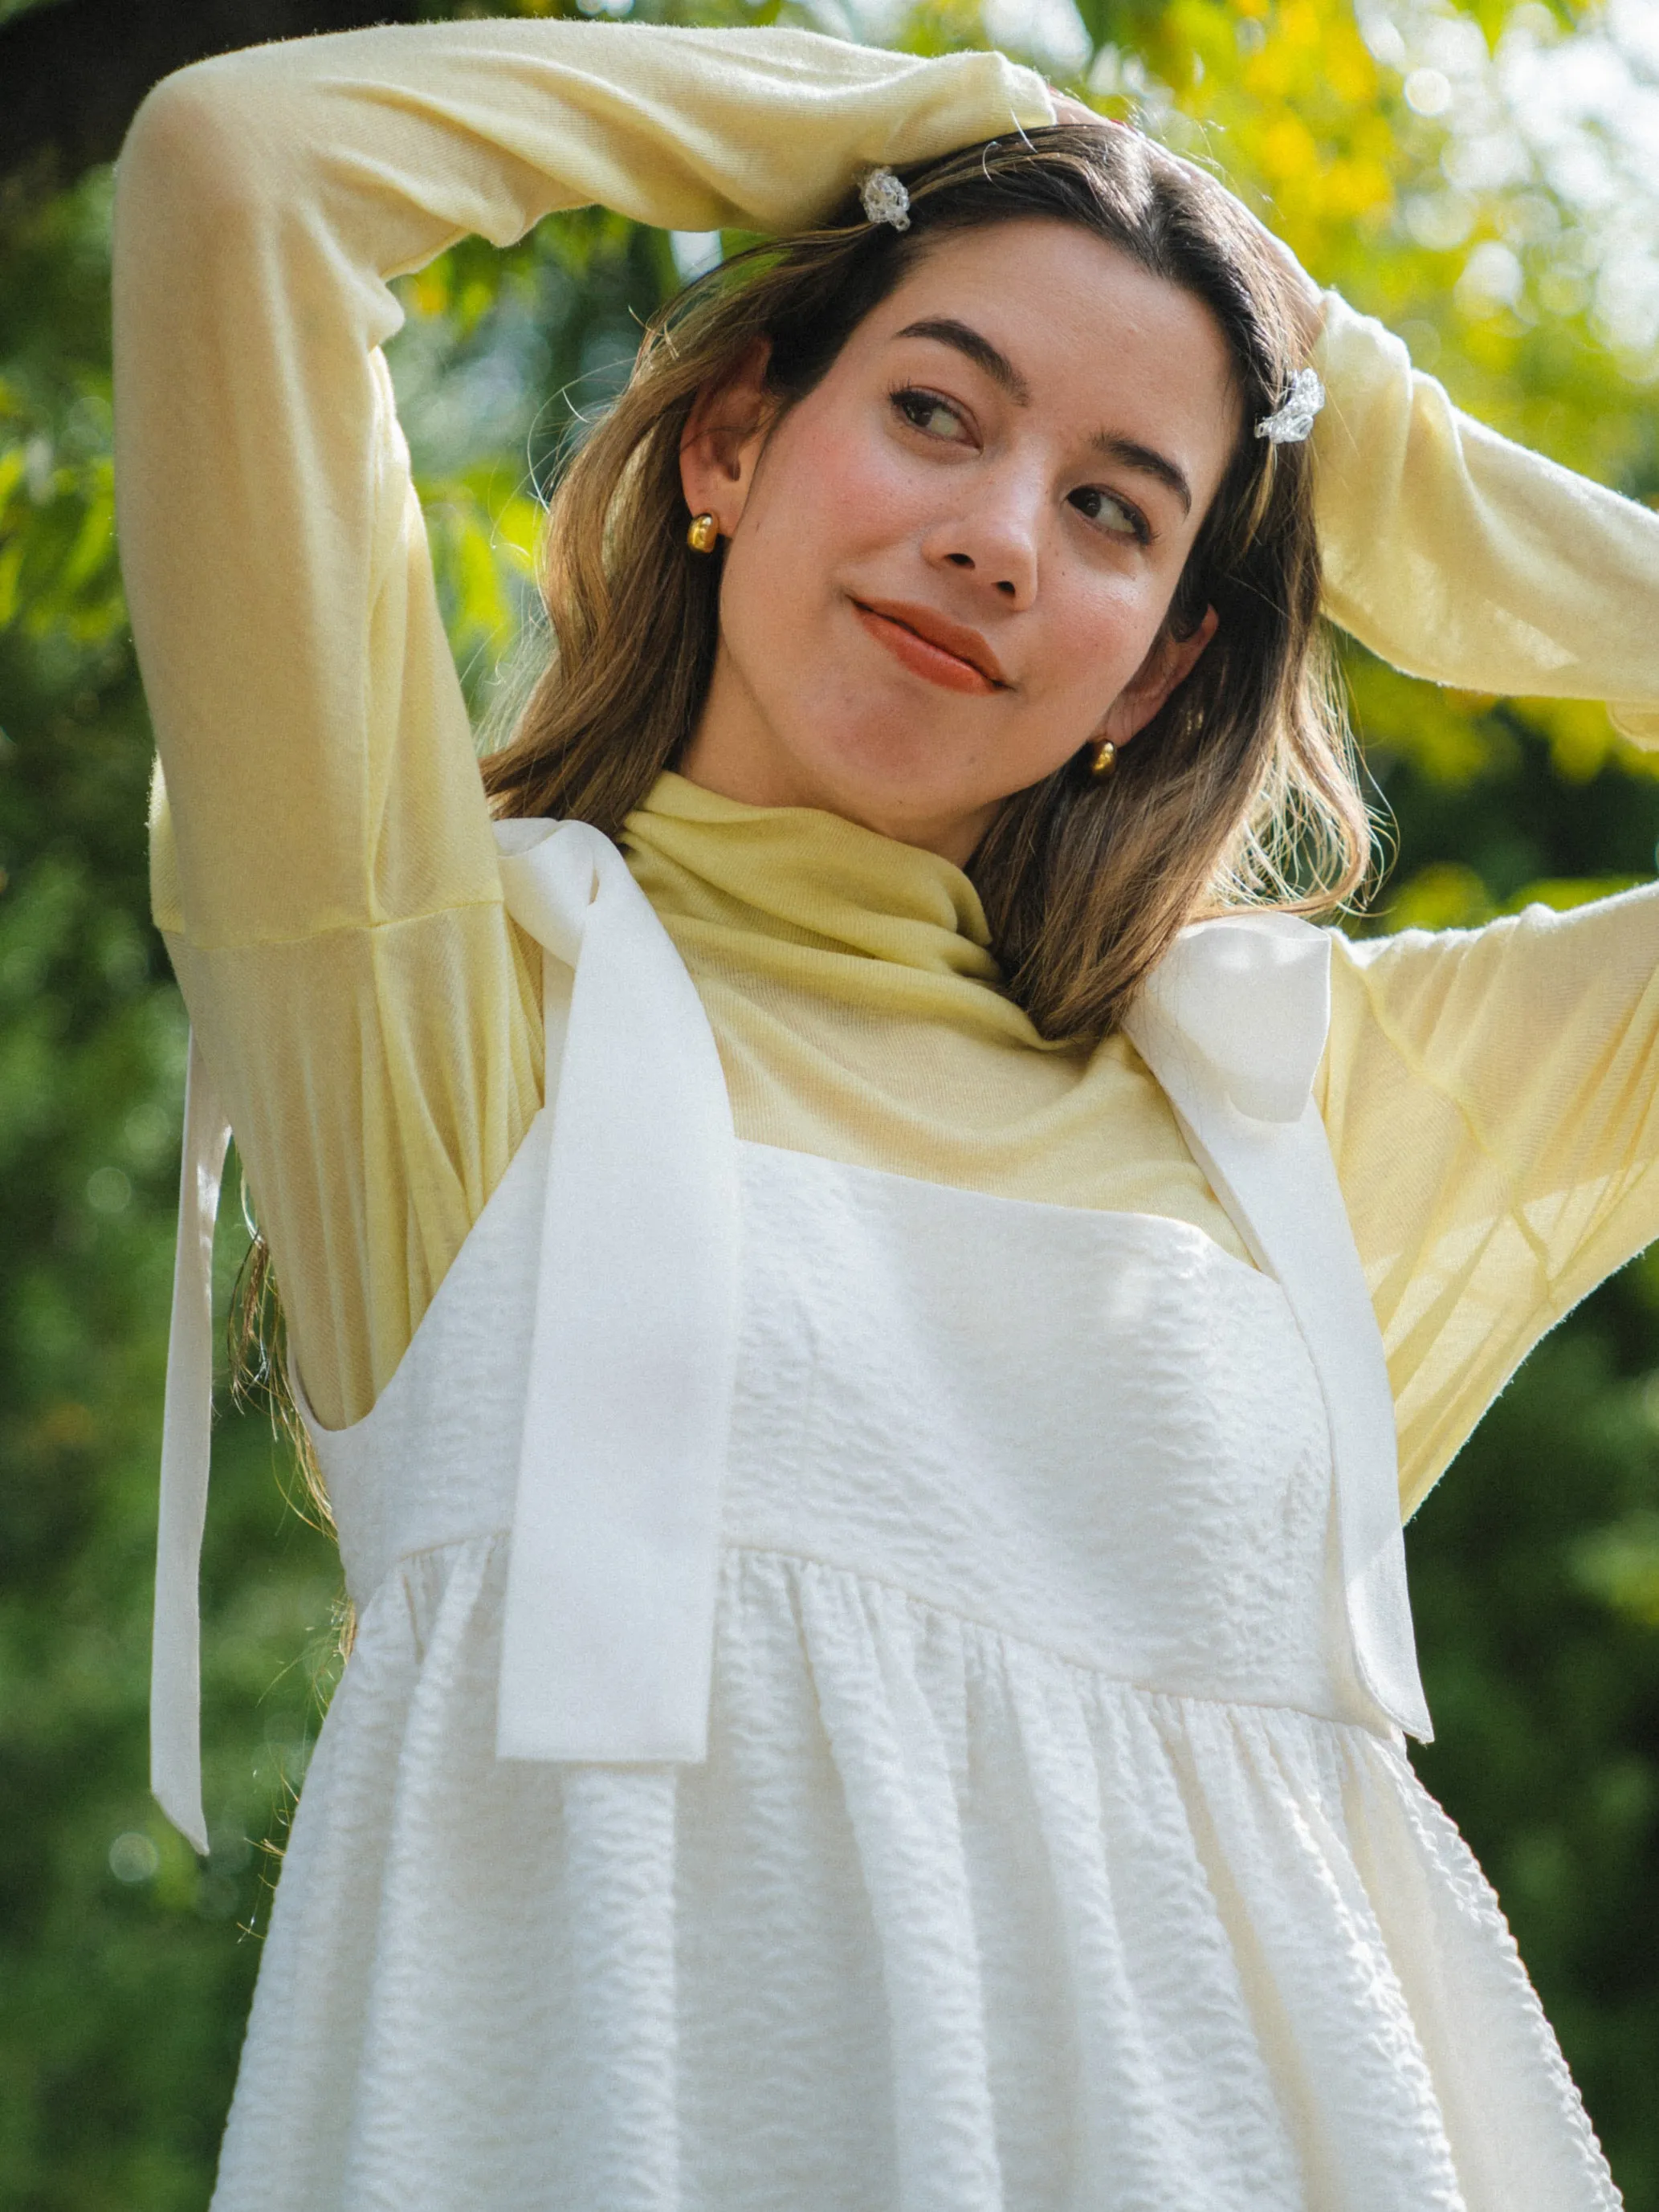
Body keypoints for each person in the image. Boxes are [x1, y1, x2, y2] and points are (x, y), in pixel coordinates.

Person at [112, 18, 1659, 2210]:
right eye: (935, 411)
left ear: (1156, 675)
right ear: (731, 443)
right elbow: (232, 171)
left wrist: (1373, 442)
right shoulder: (433, 991)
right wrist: (890, 123)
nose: (1003, 537)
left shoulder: (1291, 1115)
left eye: (1117, 508)